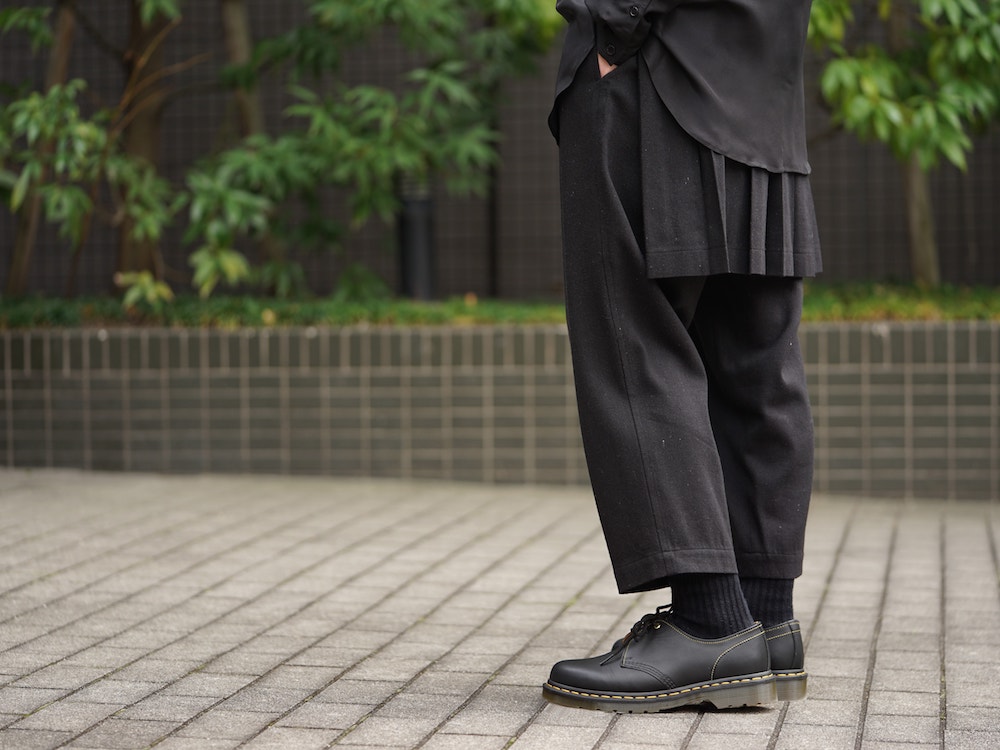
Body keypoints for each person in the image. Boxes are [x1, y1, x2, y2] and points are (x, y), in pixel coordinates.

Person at [542, 0, 822, 712]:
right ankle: (764, 621)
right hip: (763, 82)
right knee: (753, 353)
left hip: (653, 68)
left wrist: (613, 22)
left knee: (635, 341)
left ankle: (709, 625)